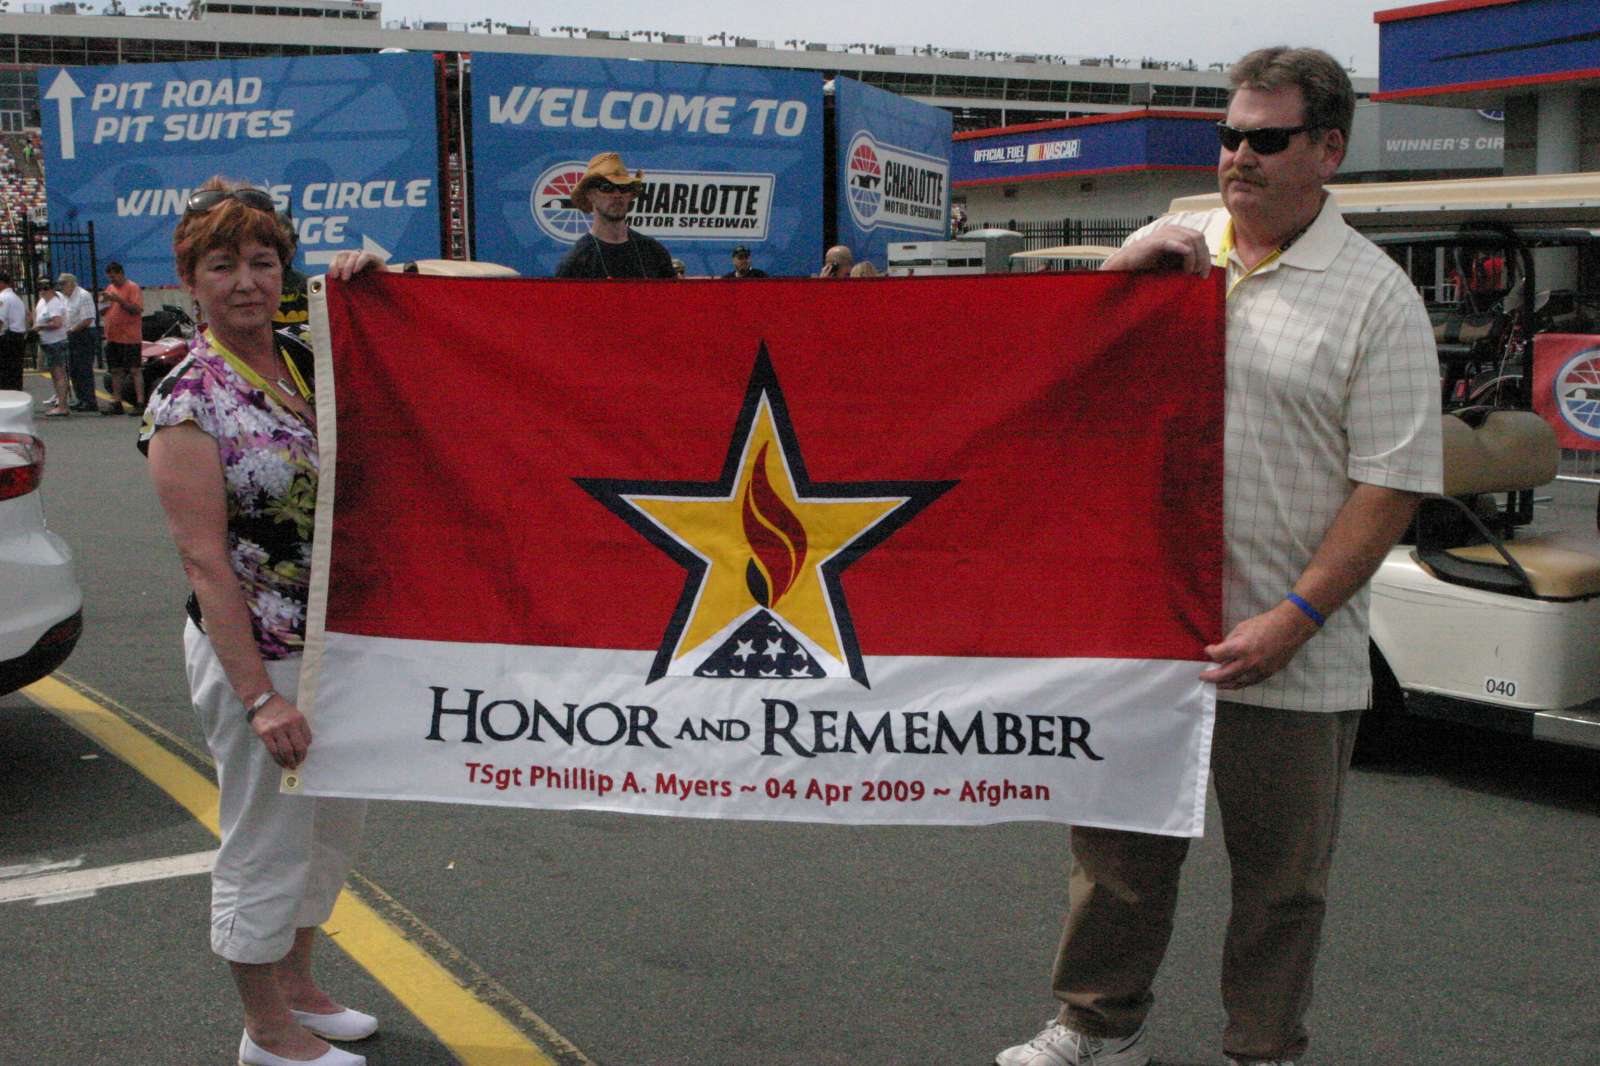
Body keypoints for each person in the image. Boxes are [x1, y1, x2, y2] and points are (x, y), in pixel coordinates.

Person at [996, 47, 1441, 1066]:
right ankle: (1098, 1025)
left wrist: (1296, 617)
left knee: (1282, 883)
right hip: (1149, 627)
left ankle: (1262, 1047)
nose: (1240, 156)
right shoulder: (1169, 252)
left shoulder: (1375, 299)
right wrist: (1117, 279)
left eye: (1267, 139)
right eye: (1230, 135)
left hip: (1290, 644)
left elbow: (1390, 483)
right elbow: (1061, 383)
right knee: (1115, 854)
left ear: (1328, 150)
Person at [141, 177, 384, 1066]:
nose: (245, 280)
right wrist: (258, 699)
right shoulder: (187, 398)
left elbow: (475, 299)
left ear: (284, 268)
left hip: (332, 641)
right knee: (266, 839)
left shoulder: (309, 355)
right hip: (256, 652)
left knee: (327, 832)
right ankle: (266, 1031)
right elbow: (204, 562)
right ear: (190, 281)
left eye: (261, 260)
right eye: (222, 265)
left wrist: (382, 277)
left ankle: (299, 987)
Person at [553, 151, 676, 279]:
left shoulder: (654, 252)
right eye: (607, 187)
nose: (617, 195)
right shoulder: (576, 261)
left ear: (630, 195)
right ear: (590, 195)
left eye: (624, 187)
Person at [99, 260, 145, 415]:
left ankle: (140, 402)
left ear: (121, 274)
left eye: (114, 277)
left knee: (134, 369)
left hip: (130, 336)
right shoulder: (110, 288)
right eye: (110, 278)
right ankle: (117, 401)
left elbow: (136, 309)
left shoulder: (132, 287)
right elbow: (103, 311)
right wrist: (103, 303)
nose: (112, 280)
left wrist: (119, 300)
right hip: (113, 336)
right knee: (115, 370)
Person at [58, 273, 99, 412]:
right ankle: (81, 398)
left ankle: (89, 400)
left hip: (83, 334)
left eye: (63, 283)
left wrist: (71, 331)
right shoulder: (65, 297)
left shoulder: (83, 295)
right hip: (72, 334)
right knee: (74, 369)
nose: (61, 287)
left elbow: (87, 319)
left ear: (71, 283)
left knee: (84, 369)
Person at [34, 279, 70, 417]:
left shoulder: (54, 303)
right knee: (55, 375)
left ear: (51, 289)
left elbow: (57, 323)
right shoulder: (43, 302)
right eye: (40, 288)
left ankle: (62, 406)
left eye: (45, 288)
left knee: (59, 374)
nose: (42, 291)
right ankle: (60, 402)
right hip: (48, 342)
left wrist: (40, 326)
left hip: (56, 341)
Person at [0, 271, 25, 391]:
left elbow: (0, 320)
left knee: (5, 375)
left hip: (7, 339)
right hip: (17, 338)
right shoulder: (15, 298)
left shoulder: (3, 298)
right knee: (15, 373)